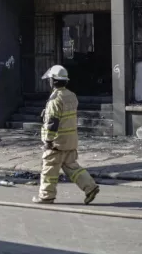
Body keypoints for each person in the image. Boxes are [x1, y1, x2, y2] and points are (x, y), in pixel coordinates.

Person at [32, 65, 100, 205]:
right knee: (71, 166)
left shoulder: (55, 99)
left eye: (50, 79)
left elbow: (53, 122)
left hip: (57, 142)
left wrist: (49, 141)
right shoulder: (71, 96)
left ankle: (46, 196)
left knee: (49, 169)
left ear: (53, 81)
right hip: (70, 140)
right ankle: (90, 187)